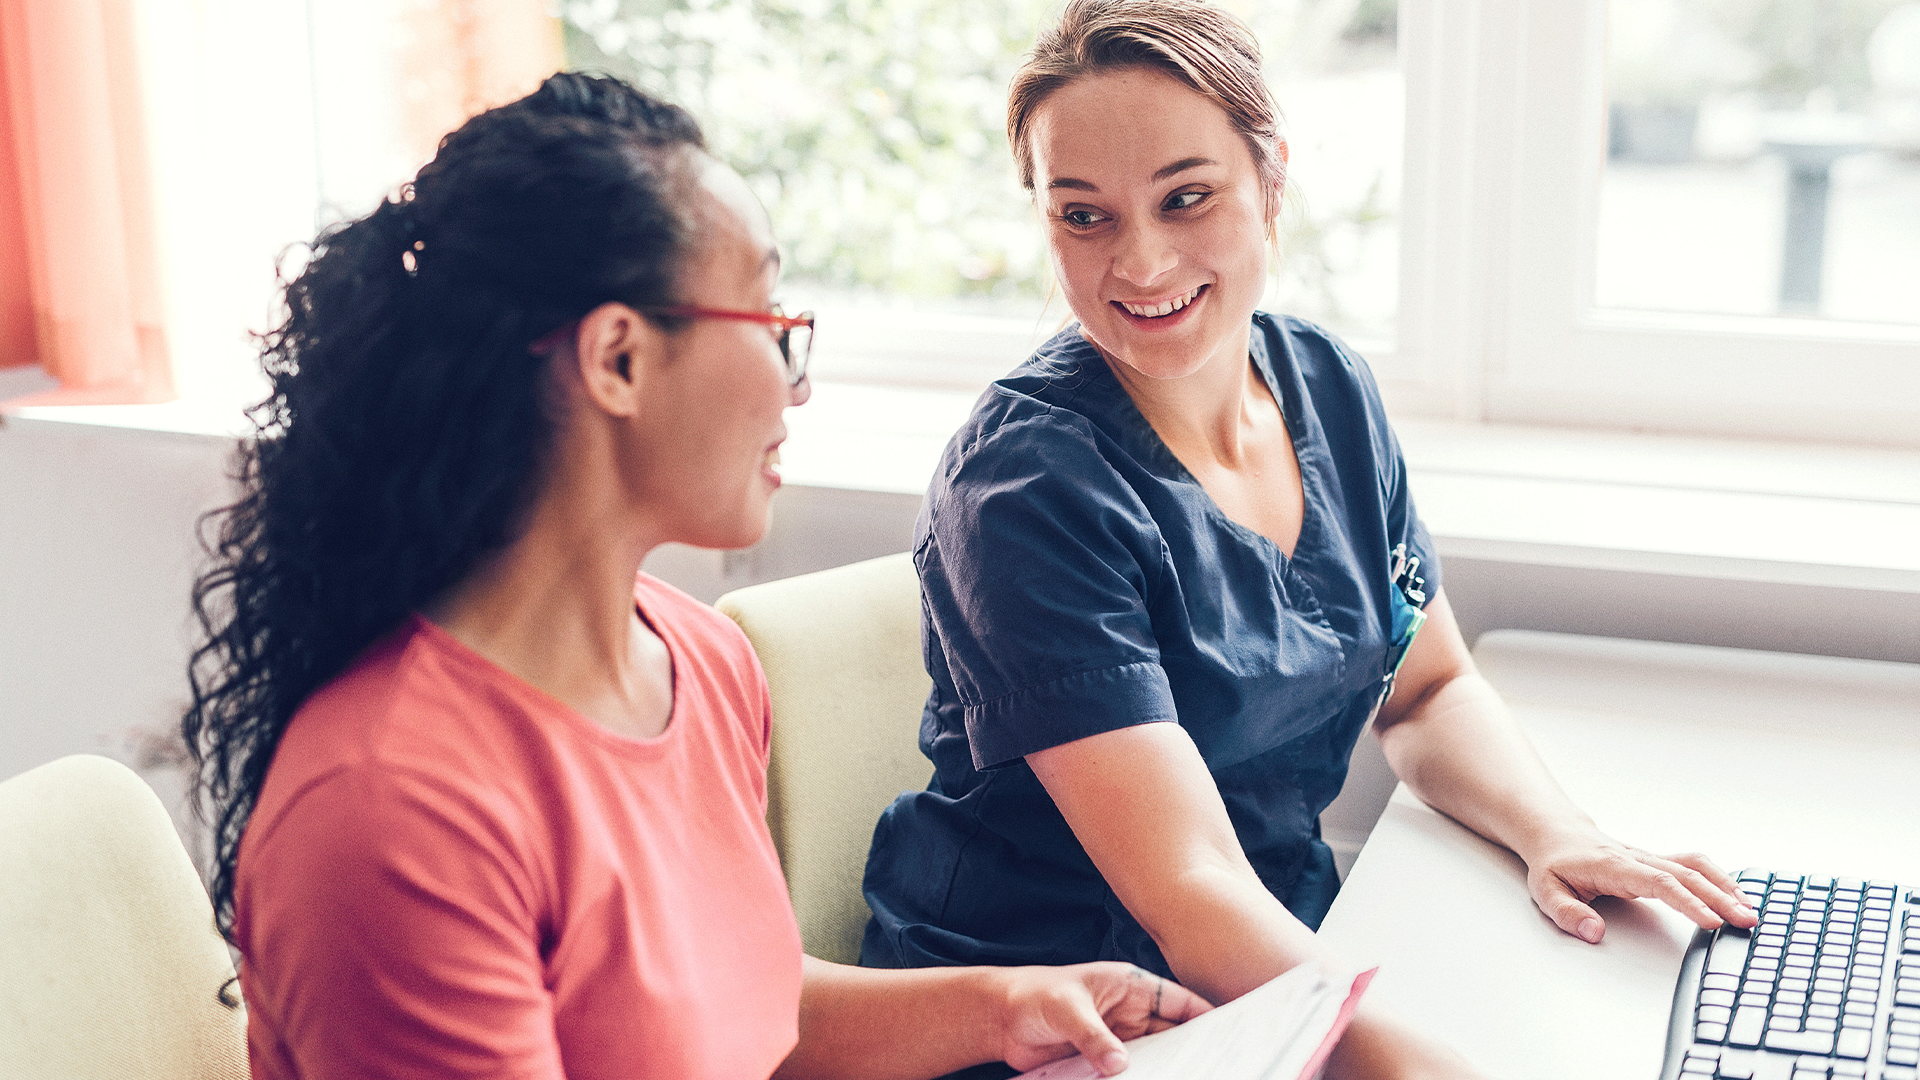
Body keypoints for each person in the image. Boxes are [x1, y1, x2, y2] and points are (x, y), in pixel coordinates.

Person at [181, 71, 1210, 1080]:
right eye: (767, 321)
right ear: (618, 361)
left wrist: (1011, 1006)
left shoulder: (703, 660)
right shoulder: (391, 817)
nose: (796, 383)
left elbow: (746, 1013)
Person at [856, 2, 1759, 1076]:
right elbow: (1190, 886)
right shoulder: (1023, 488)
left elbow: (1426, 690)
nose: (1140, 263)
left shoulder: (1326, 386)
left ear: (1272, 178)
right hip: (1064, 1020)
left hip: (1276, 959)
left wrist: (1554, 830)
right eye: (1082, 216)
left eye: (1185, 198)